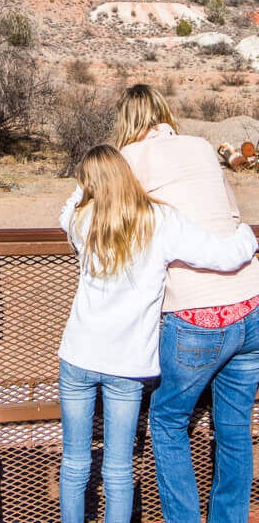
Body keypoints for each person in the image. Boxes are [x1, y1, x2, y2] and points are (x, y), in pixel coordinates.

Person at [57, 144, 257, 523]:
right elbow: (221, 256)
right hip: (126, 366)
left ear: (90, 185)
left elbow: (66, 210)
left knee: (75, 462)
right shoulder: (159, 221)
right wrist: (246, 237)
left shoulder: (83, 221)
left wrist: (86, 185)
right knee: (117, 469)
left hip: (76, 358)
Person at [116, 84, 259, 523]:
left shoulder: (128, 158)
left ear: (128, 121)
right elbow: (232, 217)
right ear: (163, 114)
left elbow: (105, 216)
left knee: (167, 421)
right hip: (251, 305)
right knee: (234, 430)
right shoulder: (199, 146)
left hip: (196, 314)